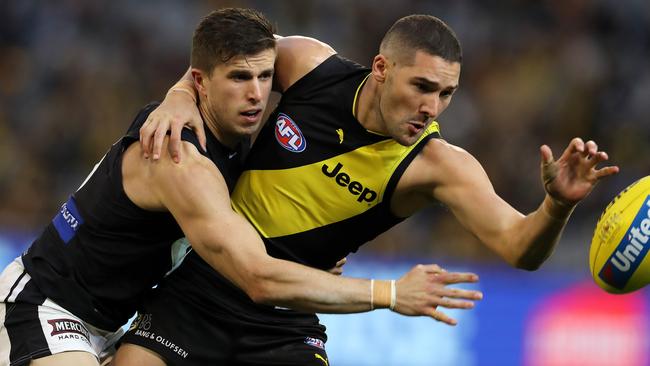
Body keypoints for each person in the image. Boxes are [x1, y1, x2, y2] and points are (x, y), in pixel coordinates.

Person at [118, 11, 619, 366]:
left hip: (285, 321)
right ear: (381, 69)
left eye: (447, 94)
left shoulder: (438, 165)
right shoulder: (310, 65)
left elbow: (519, 248)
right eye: (422, 87)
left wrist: (555, 206)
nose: (433, 108)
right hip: (196, 292)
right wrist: (179, 96)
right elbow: (224, 60)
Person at [0, 9, 482, 366]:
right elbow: (258, 275)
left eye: (264, 77)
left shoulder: (234, 143)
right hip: (47, 303)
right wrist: (390, 293)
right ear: (201, 82)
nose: (255, 93)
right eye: (238, 78)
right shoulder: (181, 154)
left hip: (110, 323)